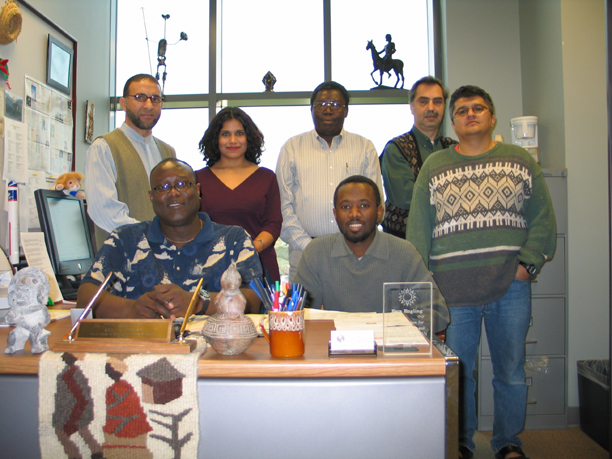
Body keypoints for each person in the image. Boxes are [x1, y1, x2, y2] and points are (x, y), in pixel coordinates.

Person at [406, 85, 556, 459]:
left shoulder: (519, 160)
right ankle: (462, 443)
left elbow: (543, 220)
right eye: (461, 110)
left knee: (510, 372)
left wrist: (528, 265)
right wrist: (424, 283)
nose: (470, 114)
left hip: (510, 288)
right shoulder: (434, 165)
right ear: (452, 121)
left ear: (491, 116)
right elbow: (419, 230)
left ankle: (508, 442)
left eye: (478, 108)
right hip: (452, 292)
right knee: (460, 375)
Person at [77, 158, 263, 319]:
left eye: (182, 184)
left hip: (215, 354)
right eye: (163, 187)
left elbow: (254, 300)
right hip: (140, 352)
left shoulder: (234, 239)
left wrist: (199, 302)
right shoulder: (125, 239)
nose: (173, 192)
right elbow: (85, 297)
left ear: (197, 190)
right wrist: (133, 309)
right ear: (151, 197)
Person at [293, 175, 449, 334]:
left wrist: (382, 331)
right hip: (336, 351)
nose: (354, 214)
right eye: (345, 207)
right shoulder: (317, 252)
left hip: (390, 353)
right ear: (335, 214)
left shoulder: (404, 253)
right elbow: (295, 315)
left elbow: (437, 314)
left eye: (364, 205)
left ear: (379, 212)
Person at [276, 81, 383, 281]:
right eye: (320, 104)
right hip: (304, 253)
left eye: (334, 104)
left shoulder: (364, 147)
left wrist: (351, 244)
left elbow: (375, 205)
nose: (327, 109)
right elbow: (282, 206)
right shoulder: (292, 148)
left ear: (346, 111)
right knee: (306, 312)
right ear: (311, 110)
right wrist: (309, 246)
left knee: (354, 311)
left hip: (355, 251)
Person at [84, 74, 176, 249]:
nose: (148, 105)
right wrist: (152, 237)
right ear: (124, 103)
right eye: (140, 98)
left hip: (165, 262)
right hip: (121, 264)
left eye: (155, 99)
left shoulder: (168, 152)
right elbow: (103, 211)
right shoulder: (103, 148)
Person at [195, 107, 282, 285]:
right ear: (215, 139)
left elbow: (273, 224)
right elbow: (194, 225)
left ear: (248, 138)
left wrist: (247, 251)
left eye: (239, 133)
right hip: (210, 267)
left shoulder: (267, 177)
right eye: (225, 134)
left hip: (259, 265)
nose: (233, 140)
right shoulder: (197, 179)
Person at [380, 76, 457, 238]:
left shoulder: (455, 148)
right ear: (411, 107)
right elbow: (406, 198)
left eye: (437, 102)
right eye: (423, 102)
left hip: (449, 240)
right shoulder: (396, 148)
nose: (431, 108)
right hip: (405, 243)